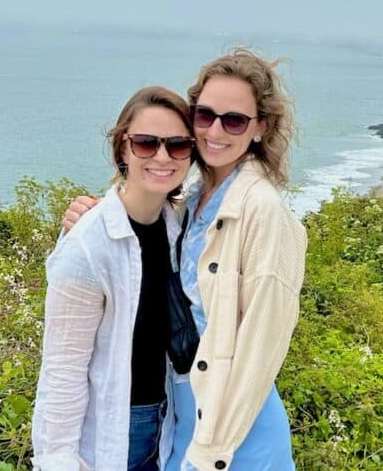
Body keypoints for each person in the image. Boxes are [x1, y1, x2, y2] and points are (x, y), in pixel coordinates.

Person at [62, 49, 307, 471]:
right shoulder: (192, 201)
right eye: (204, 115)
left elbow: (259, 352)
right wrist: (89, 218)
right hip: (183, 415)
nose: (215, 130)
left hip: (234, 433)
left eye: (234, 120)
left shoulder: (263, 210)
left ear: (260, 128)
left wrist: (211, 452)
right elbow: (136, 230)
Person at [32, 86, 197, 471]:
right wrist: (57, 461)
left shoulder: (180, 225)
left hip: (171, 420)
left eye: (177, 145)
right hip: (116, 427)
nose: (161, 156)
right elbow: (63, 369)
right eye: (145, 143)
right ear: (122, 149)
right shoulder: (89, 245)